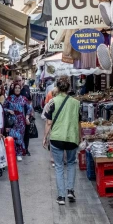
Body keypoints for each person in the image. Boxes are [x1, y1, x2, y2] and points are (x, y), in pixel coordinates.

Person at [43, 76, 80, 205]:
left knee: (59, 167)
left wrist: (44, 137)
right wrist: (79, 136)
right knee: (71, 164)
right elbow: (78, 122)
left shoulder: (52, 102)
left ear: (57, 87)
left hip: (57, 138)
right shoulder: (76, 103)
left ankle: (61, 196)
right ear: (69, 88)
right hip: (72, 137)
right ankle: (70, 190)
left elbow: (48, 122)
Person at [3, 83, 33, 161]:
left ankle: (19, 154)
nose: (17, 89)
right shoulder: (9, 98)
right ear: (13, 89)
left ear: (20, 89)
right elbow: (3, 108)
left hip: (21, 121)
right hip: (11, 121)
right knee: (12, 137)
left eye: (18, 88)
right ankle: (12, 153)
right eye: (15, 88)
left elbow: (29, 109)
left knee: (20, 137)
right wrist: (9, 110)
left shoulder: (23, 98)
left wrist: (27, 117)